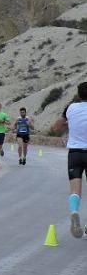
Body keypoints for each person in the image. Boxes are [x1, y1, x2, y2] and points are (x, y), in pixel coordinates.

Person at [51, 82, 87, 238]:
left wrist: (69, 123)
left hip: (75, 153)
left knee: (75, 190)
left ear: (79, 95)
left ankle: (74, 212)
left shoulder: (71, 108)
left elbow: (57, 127)